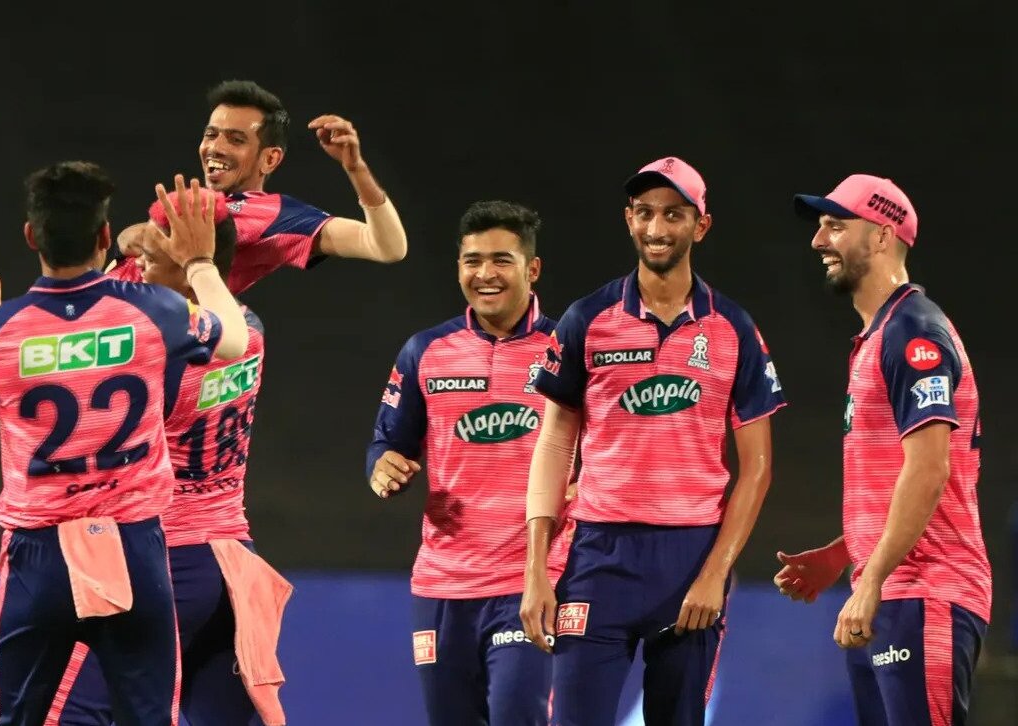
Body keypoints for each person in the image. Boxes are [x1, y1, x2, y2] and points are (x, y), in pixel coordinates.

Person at [0, 78, 408, 673]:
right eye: (211, 133)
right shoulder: (191, 204)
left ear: (270, 158)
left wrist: (356, 170)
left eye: (236, 138)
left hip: (106, 339)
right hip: (79, 320)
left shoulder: (266, 215)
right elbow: (132, 241)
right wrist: (136, 238)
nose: (216, 147)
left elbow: (387, 247)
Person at [0, 164, 245, 723]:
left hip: (37, 557)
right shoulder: (153, 310)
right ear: (104, 236)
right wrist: (199, 262)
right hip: (135, 549)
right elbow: (233, 339)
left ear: (31, 235)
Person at [520, 157, 786, 725]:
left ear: (701, 226)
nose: (657, 228)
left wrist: (714, 574)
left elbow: (758, 467)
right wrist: (536, 569)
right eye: (644, 213)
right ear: (629, 220)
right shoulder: (587, 319)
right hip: (598, 555)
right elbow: (554, 443)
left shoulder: (733, 327)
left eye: (673, 214)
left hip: (690, 558)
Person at [48, 197, 286, 726]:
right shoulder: (249, 328)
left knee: (73, 715)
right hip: (227, 565)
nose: (139, 269)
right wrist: (150, 243)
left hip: (159, 563)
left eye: (154, 260)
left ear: (191, 265)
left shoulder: (161, 344)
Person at [774, 174, 989, 726]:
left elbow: (930, 470)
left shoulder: (912, 332)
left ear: (882, 236)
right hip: (896, 591)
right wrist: (847, 553)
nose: (818, 241)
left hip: (925, 591)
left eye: (835, 226)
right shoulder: (881, 335)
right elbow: (904, 476)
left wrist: (871, 578)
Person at [367, 201, 569, 725]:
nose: (485, 274)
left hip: (534, 578)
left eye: (502, 260)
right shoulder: (425, 350)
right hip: (442, 584)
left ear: (532, 269)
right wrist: (383, 467)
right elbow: (388, 442)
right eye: (472, 261)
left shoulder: (567, 349)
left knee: (516, 716)